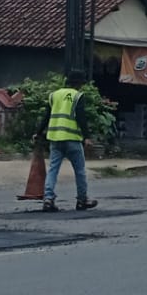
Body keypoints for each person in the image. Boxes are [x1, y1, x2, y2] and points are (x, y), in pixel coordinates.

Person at [38, 71, 98, 212]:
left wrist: (38, 132)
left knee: (53, 170)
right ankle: (82, 200)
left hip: (55, 139)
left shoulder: (54, 95)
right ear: (79, 83)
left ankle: (48, 199)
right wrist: (87, 136)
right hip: (72, 139)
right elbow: (81, 117)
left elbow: (46, 116)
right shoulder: (78, 96)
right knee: (80, 171)